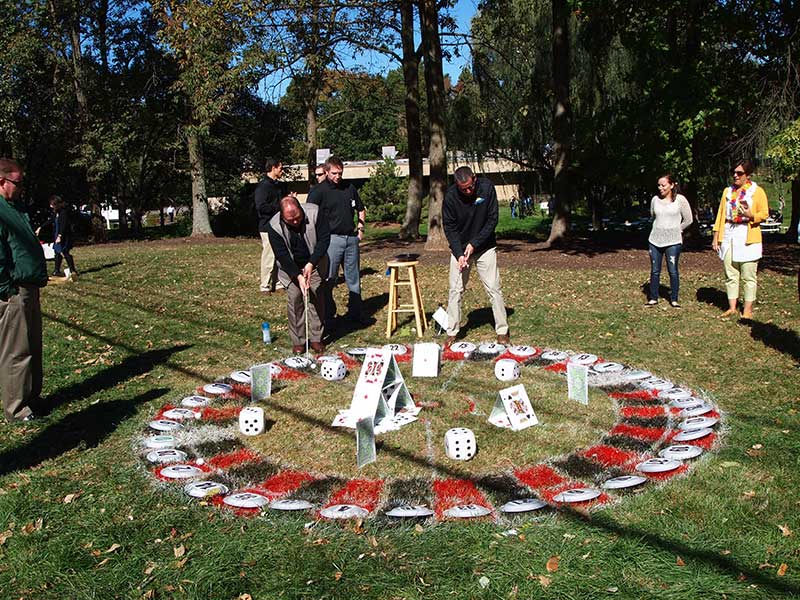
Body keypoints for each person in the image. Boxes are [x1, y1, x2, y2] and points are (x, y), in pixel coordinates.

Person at [0, 158, 48, 422]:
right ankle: (17, 408)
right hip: (13, 290)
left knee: (32, 346)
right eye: (17, 183)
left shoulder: (15, 207)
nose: (21, 188)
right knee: (16, 351)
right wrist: (6, 289)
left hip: (29, 286)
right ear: (1, 181)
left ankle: (32, 398)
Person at [443, 166, 509, 344]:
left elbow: (492, 220)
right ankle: (452, 331)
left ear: (474, 178)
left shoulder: (487, 188)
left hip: (484, 247)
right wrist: (459, 254)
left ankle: (502, 331)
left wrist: (475, 244)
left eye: (470, 187)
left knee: (493, 288)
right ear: (457, 185)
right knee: (455, 290)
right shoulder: (450, 197)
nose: (468, 191)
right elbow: (450, 228)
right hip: (460, 249)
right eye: (463, 189)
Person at [307, 156, 366, 324]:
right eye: (334, 173)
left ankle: (356, 314)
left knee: (353, 279)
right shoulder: (318, 191)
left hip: (350, 239)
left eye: (340, 173)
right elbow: (310, 216)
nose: (338, 176)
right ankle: (328, 315)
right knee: (329, 279)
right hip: (331, 240)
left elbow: (361, 209)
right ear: (326, 171)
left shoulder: (349, 188)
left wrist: (360, 229)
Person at [267, 196, 330, 354]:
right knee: (295, 301)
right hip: (290, 268)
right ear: (282, 217)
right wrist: (298, 276)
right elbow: (282, 256)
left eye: (298, 218)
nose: (295, 222)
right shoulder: (274, 226)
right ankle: (298, 342)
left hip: (314, 262)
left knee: (316, 298)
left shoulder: (315, 212)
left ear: (301, 210)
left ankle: (316, 338)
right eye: (290, 220)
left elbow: (324, 240)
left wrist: (311, 264)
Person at [712, 159, 769, 319]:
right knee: (730, 273)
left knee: (748, 275)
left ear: (748, 175)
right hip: (729, 234)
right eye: (734, 173)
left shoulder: (757, 192)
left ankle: (748, 310)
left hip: (748, 235)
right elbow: (721, 214)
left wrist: (751, 215)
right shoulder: (727, 191)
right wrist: (716, 235)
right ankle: (732, 307)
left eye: (739, 173)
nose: (735, 176)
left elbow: (764, 213)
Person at [645, 174, 693, 307]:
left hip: (673, 241)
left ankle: (674, 298)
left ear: (672, 185)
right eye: (659, 185)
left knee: (673, 270)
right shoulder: (655, 200)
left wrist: (678, 229)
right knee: (655, 270)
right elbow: (653, 216)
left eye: (663, 185)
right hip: (655, 240)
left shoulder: (680, 200)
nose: (660, 188)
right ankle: (653, 297)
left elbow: (689, 219)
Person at [254, 157, 288, 294]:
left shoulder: (279, 186)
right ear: (273, 168)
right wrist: (279, 207)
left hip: (279, 225)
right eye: (280, 168)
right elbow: (261, 207)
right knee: (269, 256)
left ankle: (279, 283)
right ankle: (264, 285)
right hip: (267, 226)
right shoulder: (263, 187)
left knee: (280, 255)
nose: (282, 171)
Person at [36, 195, 78, 279]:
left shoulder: (64, 213)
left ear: (57, 204)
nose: (51, 206)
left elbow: (64, 225)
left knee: (65, 252)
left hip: (64, 236)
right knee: (57, 253)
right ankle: (57, 270)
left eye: (53, 204)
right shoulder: (56, 213)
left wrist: (60, 236)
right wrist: (40, 227)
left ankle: (73, 270)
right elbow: (50, 220)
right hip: (57, 234)